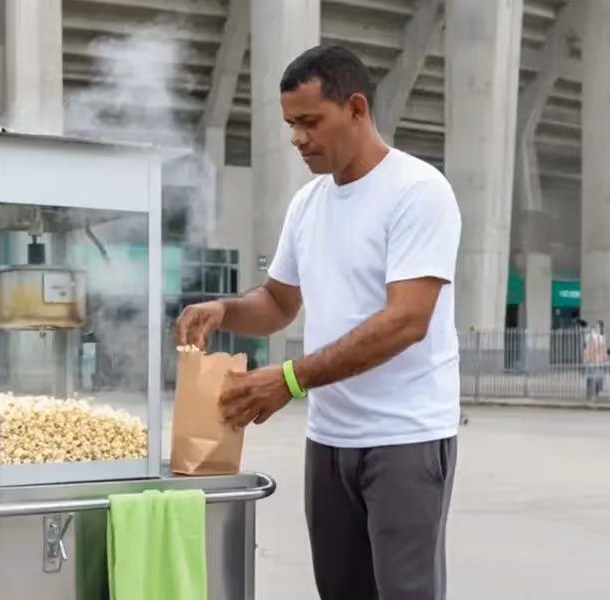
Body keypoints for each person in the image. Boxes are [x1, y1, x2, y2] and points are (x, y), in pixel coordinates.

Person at [173, 45, 461, 599]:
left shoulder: (418, 192)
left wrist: (288, 379)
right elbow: (279, 303)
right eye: (290, 124)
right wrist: (227, 309)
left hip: (405, 437)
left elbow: (407, 321)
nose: (297, 138)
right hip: (329, 441)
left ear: (356, 108)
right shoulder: (307, 204)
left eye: (309, 121)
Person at [582, 319, 607, 402]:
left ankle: (595, 394)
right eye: (596, 326)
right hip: (591, 361)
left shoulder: (602, 337)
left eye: (598, 326)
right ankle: (590, 395)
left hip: (599, 362)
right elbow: (586, 347)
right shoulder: (590, 336)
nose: (596, 328)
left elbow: (603, 349)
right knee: (591, 379)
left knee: (599, 380)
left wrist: (604, 358)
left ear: (601, 328)